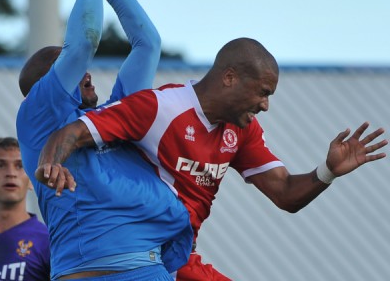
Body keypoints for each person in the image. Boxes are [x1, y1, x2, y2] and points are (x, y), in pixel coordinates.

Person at [35, 37, 388, 281]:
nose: (266, 105)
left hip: (179, 256)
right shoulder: (162, 107)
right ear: (230, 78)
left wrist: (327, 172)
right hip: (140, 254)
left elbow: (284, 193)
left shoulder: (242, 130)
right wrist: (53, 163)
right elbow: (73, 132)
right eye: (263, 92)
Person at [16, 0, 192, 281]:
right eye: (72, 72)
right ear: (47, 85)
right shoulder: (39, 113)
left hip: (152, 268)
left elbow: (148, 44)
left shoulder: (110, 118)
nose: (87, 75)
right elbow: (83, 43)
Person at [0, 137, 51, 281]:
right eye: (0, 165)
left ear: (31, 180)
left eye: (20, 166)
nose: (11, 173)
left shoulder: (47, 241)